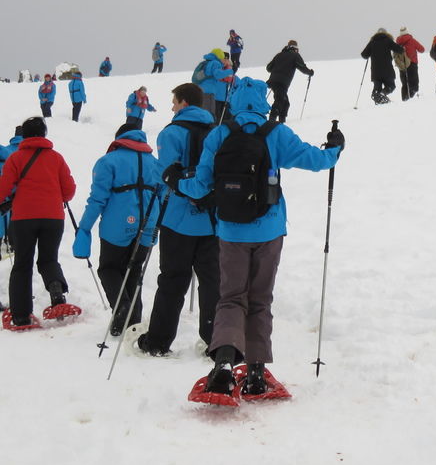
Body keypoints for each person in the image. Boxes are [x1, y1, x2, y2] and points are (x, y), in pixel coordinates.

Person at [165, 77, 343, 396]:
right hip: (270, 230)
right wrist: (334, 147)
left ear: (233, 100)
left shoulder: (219, 135)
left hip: (231, 230)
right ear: (265, 101)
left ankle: (223, 364)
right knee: (260, 298)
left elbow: (201, 185)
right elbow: (318, 161)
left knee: (231, 296)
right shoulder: (276, 133)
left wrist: (175, 179)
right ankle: (257, 372)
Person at [136, 83, 219, 356]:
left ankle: (159, 341)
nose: (172, 107)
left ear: (184, 102)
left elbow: (166, 174)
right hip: (212, 220)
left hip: (177, 219)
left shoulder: (171, 132)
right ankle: (215, 341)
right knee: (212, 282)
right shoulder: (216, 132)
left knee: (172, 280)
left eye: (174, 101)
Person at [72, 124, 164, 335]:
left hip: (117, 225)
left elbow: (97, 199)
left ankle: (121, 307)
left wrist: (84, 229)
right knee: (134, 269)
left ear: (119, 139)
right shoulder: (155, 163)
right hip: (148, 224)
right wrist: (157, 226)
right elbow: (162, 195)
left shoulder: (108, 161)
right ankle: (133, 320)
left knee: (109, 268)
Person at [0, 117, 76, 328]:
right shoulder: (57, 158)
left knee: (22, 264)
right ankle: (57, 294)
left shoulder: (16, 159)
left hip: (23, 218)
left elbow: (3, 188)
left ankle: (21, 315)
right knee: (48, 259)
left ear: (23, 135)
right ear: (44, 133)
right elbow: (69, 191)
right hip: (53, 218)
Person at [266, 40, 313, 123]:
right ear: (295, 48)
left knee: (285, 102)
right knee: (280, 100)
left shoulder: (279, 55)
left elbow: (269, 68)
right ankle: (272, 121)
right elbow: (302, 67)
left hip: (273, 81)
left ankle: (281, 122)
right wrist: (310, 72)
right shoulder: (295, 56)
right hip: (282, 82)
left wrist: (278, 67)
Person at [360, 28, 404, 105]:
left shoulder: (372, 42)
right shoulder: (388, 40)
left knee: (377, 88)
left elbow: (364, 55)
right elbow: (399, 50)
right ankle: (382, 94)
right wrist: (402, 48)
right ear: (386, 33)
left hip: (375, 71)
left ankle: (378, 97)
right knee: (391, 86)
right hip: (387, 70)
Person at [196, 48, 235, 122]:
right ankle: (209, 130)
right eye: (223, 58)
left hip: (202, 91)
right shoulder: (215, 63)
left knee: (205, 113)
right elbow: (217, 74)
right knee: (210, 115)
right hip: (210, 93)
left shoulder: (207, 62)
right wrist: (231, 71)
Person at [395, 27, 426, 101]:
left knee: (405, 84)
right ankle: (410, 99)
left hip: (402, 65)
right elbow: (422, 49)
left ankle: (404, 101)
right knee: (414, 83)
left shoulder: (397, 42)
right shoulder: (411, 40)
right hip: (412, 64)